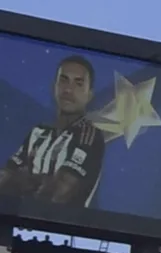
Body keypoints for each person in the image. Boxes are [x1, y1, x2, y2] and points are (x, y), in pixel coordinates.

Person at [0, 55, 105, 208]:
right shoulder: (38, 132)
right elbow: (3, 181)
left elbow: (60, 193)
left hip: (63, 230)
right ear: (53, 87)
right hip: (19, 225)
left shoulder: (89, 136)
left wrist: (22, 180)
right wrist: (41, 181)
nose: (68, 89)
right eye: (63, 80)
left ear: (89, 95)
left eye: (78, 83)